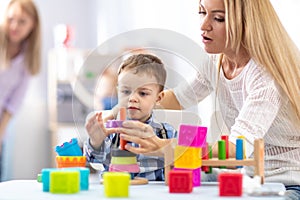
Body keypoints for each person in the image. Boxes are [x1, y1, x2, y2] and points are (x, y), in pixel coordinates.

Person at [105, 0, 300, 198]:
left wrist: (164, 146)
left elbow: (235, 149)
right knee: (176, 179)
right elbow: (179, 98)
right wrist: (126, 103)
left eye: (218, 18)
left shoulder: (264, 76)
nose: (203, 25)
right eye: (202, 12)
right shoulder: (217, 60)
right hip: (248, 178)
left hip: (288, 184)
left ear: (245, 23)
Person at [84, 53, 177, 181]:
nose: (132, 98)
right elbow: (93, 159)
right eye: (126, 91)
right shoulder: (109, 131)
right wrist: (96, 142)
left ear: (158, 98)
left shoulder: (167, 133)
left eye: (143, 93)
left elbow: (181, 161)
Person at [0, 0, 41, 180]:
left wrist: (0, 133)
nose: (14, 26)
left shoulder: (27, 58)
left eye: (22, 21)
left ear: (33, 25)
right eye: (11, 19)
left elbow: (14, 103)